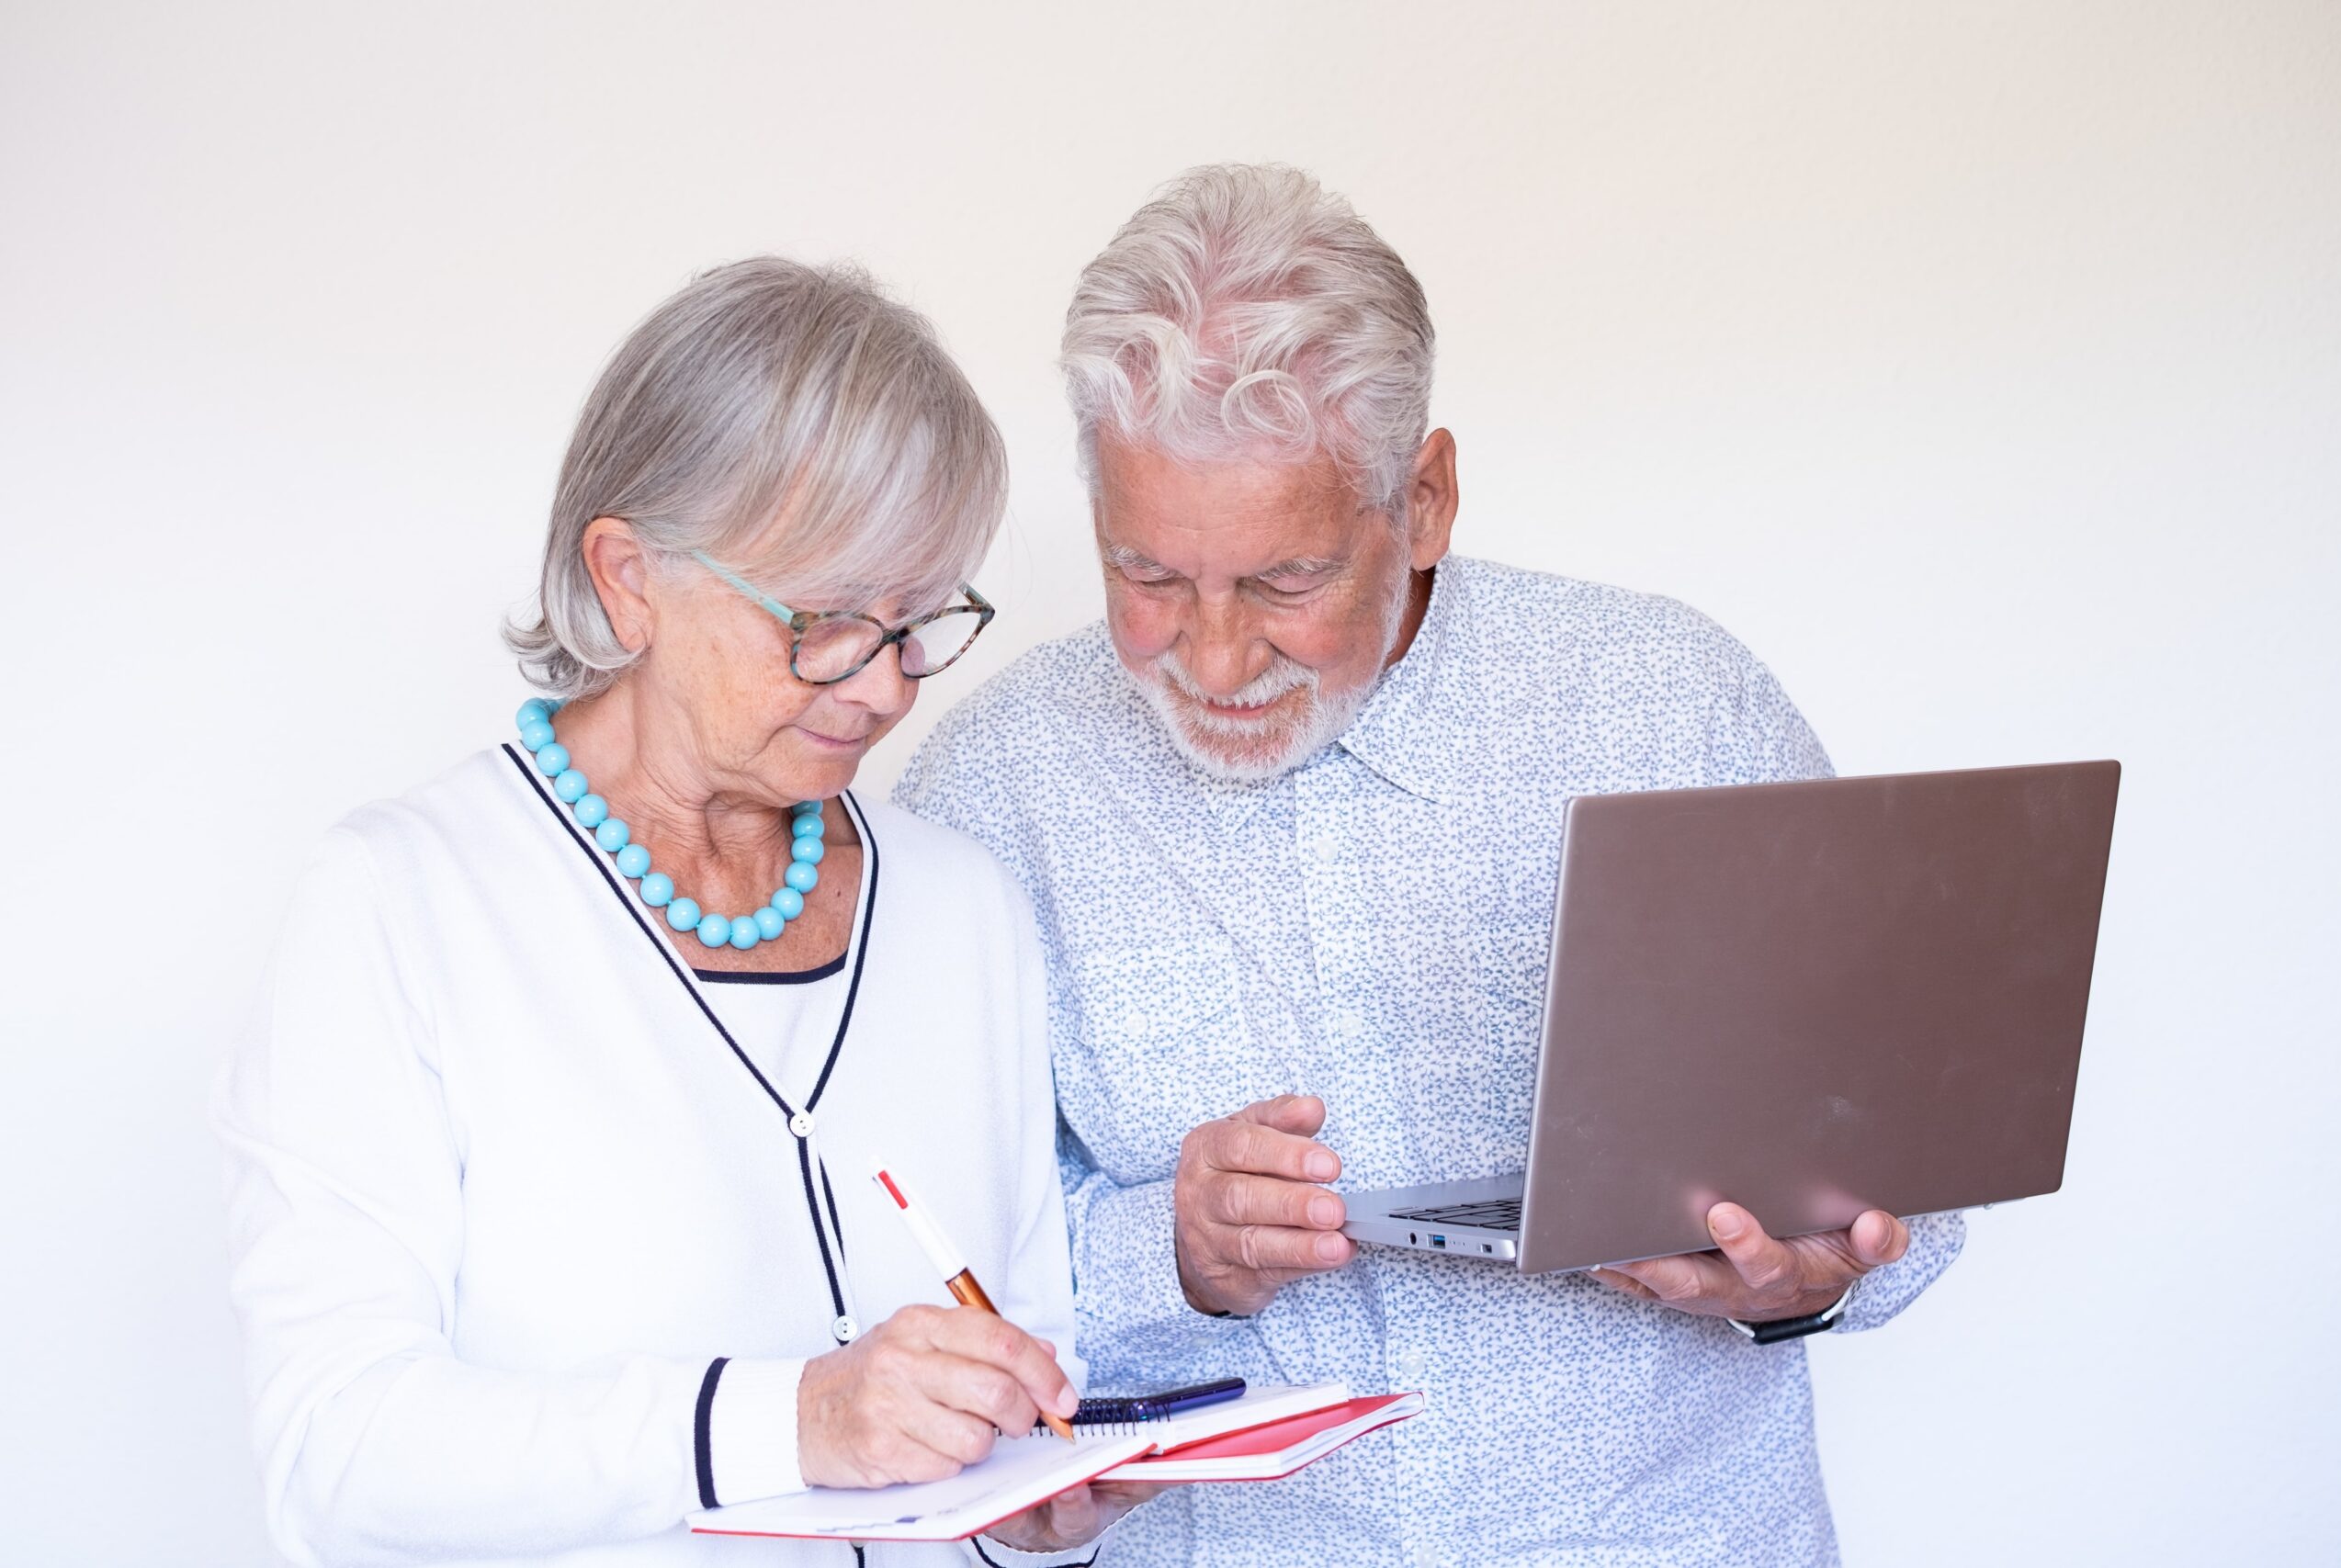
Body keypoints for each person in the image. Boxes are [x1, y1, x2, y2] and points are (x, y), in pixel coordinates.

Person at [896, 165, 1966, 1566]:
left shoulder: (1673, 706)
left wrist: (1807, 1279)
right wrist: (1170, 1250)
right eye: (1147, 577)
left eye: (1285, 583)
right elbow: (903, 1266)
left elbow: (1920, 1202)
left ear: (1429, 496)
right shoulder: (989, 790)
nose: (1212, 663)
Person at [216, 258, 1144, 1566]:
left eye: (921, 619)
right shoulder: (402, 905)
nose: (886, 689)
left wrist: (1038, 1510)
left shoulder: (964, 911)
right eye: (826, 622)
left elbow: (1027, 1346)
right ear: (629, 577)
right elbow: (340, 1454)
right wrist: (791, 1422)